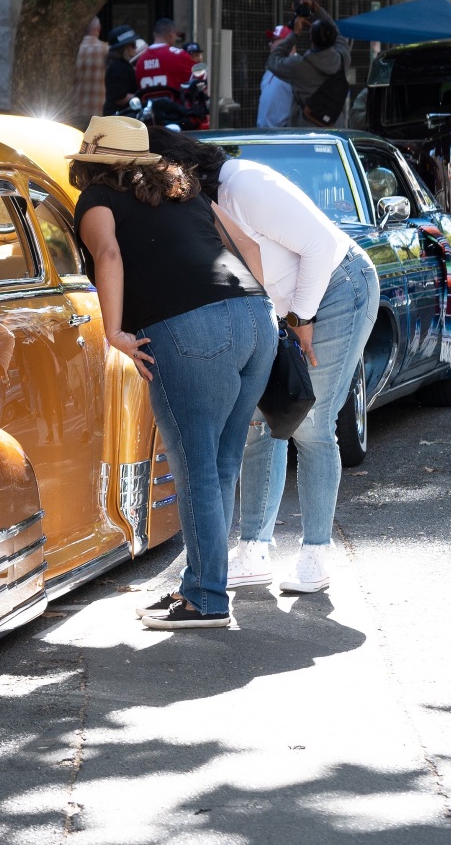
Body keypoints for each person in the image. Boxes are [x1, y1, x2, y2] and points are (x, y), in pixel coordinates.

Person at [149, 129, 376, 594]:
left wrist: (302, 317)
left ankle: (315, 555)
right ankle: (253, 549)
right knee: (263, 422)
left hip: (336, 288)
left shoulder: (242, 184)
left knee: (313, 425)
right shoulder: (199, 208)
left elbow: (319, 246)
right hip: (284, 307)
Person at [70, 116, 275, 631]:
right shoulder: (186, 191)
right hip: (256, 318)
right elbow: (248, 251)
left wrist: (114, 332)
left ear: (92, 159)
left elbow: (108, 254)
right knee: (222, 463)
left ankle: (206, 598)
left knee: (197, 468)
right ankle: (202, 586)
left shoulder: (98, 198)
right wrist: (251, 308)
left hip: (189, 329)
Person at [268, 0, 351, 128]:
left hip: (305, 131)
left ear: (310, 38)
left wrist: (294, 34)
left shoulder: (298, 66)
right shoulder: (342, 58)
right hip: (334, 129)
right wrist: (317, 9)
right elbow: (337, 33)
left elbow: (273, 61)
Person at [133, 19, 195, 99]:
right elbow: (200, 74)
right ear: (172, 34)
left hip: (150, 109)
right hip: (172, 109)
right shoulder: (178, 55)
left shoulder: (140, 61)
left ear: (154, 34)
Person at [257, 26, 296, 129]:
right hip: (263, 133)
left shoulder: (297, 65)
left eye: (273, 40)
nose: (270, 44)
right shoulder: (270, 68)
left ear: (286, 42)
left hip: (283, 134)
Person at [74, 16, 108, 126]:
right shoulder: (106, 50)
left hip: (76, 110)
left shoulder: (74, 51)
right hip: (99, 111)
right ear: (98, 28)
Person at [103, 25, 141, 115]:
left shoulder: (120, 65)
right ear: (123, 48)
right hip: (119, 117)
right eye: (133, 45)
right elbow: (118, 98)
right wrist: (137, 97)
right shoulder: (118, 68)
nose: (135, 48)